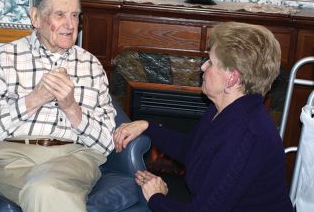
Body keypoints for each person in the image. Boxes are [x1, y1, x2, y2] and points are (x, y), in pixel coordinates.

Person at [114, 22, 294, 211]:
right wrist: (147, 126)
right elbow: (191, 150)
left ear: (231, 78)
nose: (202, 67)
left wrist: (156, 198)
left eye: (210, 62)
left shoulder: (245, 135)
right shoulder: (225, 109)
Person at [0, 0, 116, 212]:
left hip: (75, 157)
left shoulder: (91, 65)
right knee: (46, 190)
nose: (70, 25)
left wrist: (71, 108)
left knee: (44, 189)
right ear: (36, 17)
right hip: (14, 158)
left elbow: (108, 143)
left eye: (75, 16)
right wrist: (34, 99)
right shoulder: (6, 57)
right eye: (60, 15)